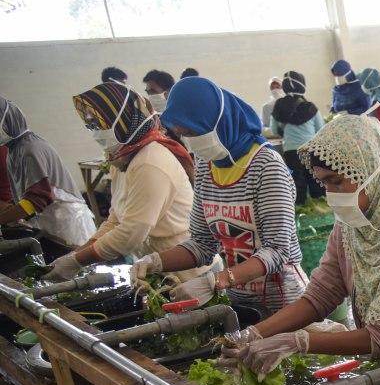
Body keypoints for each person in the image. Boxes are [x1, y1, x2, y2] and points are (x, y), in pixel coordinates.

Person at [221, 115, 380, 378]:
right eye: (323, 183)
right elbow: (320, 297)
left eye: (336, 181)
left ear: (370, 171)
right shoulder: (350, 226)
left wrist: (299, 342)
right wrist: (255, 333)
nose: (331, 194)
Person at [130, 77, 306, 318]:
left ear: (217, 121)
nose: (190, 141)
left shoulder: (266, 166)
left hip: (282, 298)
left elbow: (277, 250)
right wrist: (155, 262)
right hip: (238, 296)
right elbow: (202, 243)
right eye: (183, 134)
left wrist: (217, 280)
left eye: (193, 131)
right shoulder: (205, 165)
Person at [44, 83, 194, 281]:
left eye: (99, 123)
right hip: (153, 269)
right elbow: (116, 219)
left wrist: (77, 261)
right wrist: (75, 254)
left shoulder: (150, 162)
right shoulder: (122, 158)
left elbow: (131, 232)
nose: (95, 131)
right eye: (90, 125)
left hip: (185, 272)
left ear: (123, 119)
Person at [0, 97, 96, 258]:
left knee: (76, 267)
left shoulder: (31, 149)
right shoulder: (13, 151)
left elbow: (37, 200)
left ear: (7, 121)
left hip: (67, 224)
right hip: (49, 223)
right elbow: (22, 196)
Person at [271, 71, 324, 205]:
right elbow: (321, 129)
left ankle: (300, 211)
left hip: (291, 151)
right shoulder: (311, 107)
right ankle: (320, 210)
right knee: (316, 180)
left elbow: (273, 130)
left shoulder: (278, 106)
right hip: (311, 149)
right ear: (302, 85)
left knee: (297, 183)